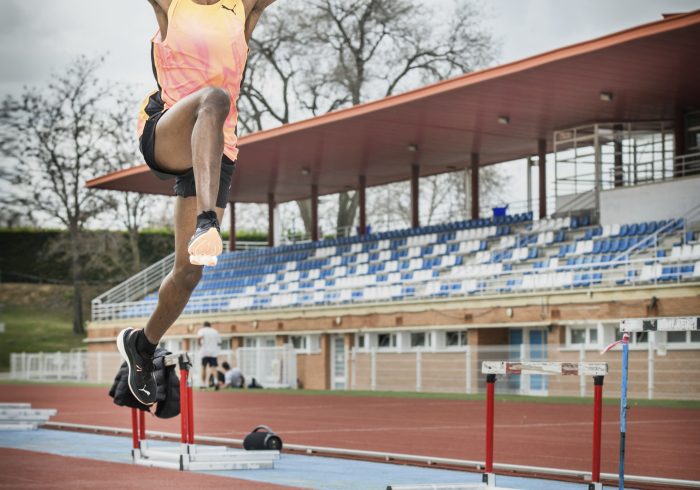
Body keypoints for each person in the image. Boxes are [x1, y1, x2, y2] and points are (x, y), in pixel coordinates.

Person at [116, 0, 277, 406]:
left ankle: (143, 345)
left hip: (216, 152)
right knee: (214, 99)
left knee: (189, 274)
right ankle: (209, 221)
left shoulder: (244, 9)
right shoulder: (172, 5)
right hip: (171, 127)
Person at [197, 321, 221, 387]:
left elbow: (199, 338)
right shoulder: (215, 331)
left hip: (204, 352)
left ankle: (203, 384)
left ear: (204, 325)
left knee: (203, 367)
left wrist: (199, 344)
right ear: (210, 325)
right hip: (213, 352)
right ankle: (216, 382)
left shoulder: (202, 330)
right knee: (213, 368)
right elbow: (219, 342)